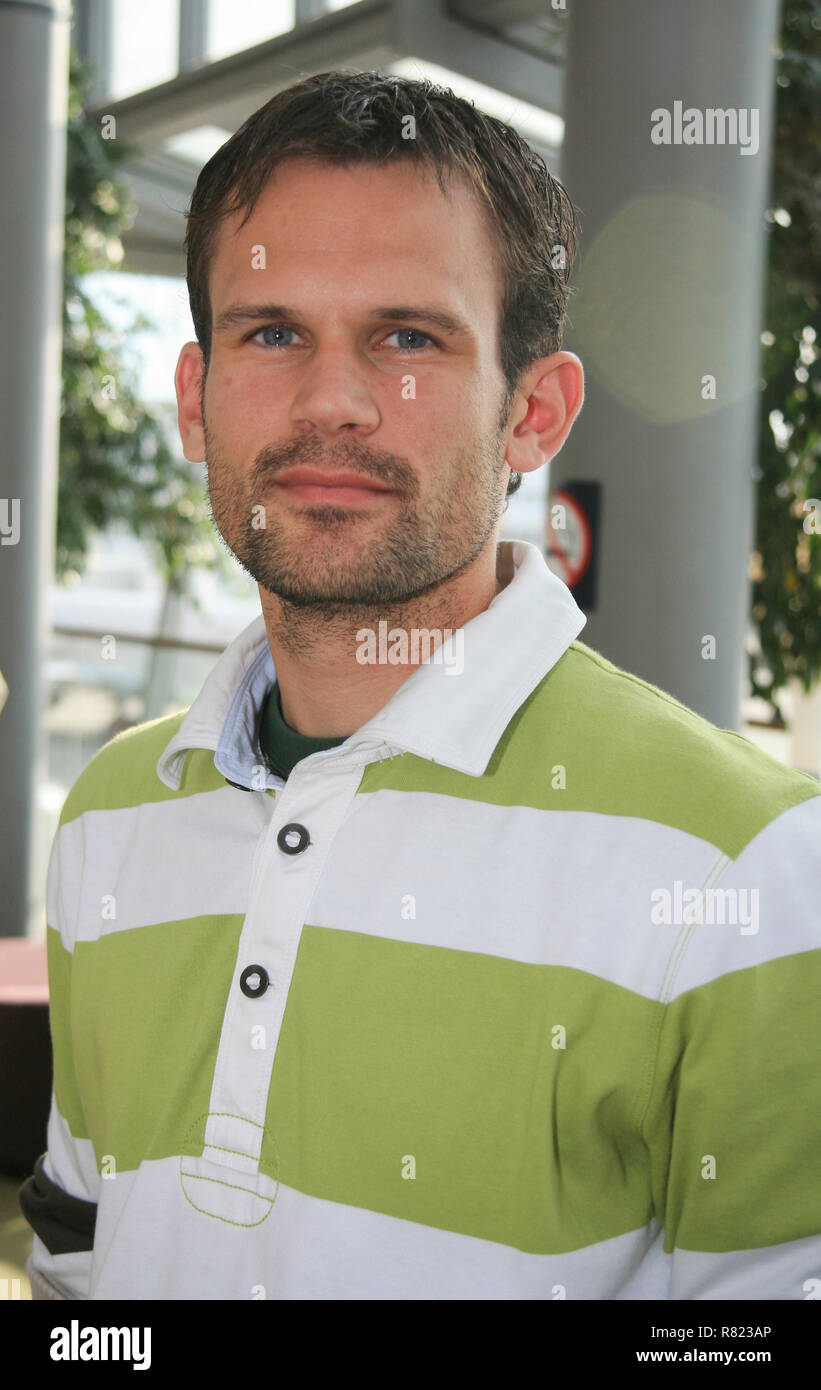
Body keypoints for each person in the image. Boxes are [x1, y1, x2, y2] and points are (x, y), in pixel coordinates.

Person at [20, 69, 821, 1301]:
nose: (331, 400)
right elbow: (83, 1272)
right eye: (271, 332)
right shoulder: (115, 814)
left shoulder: (743, 865)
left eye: (408, 337)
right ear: (196, 398)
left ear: (533, 413)